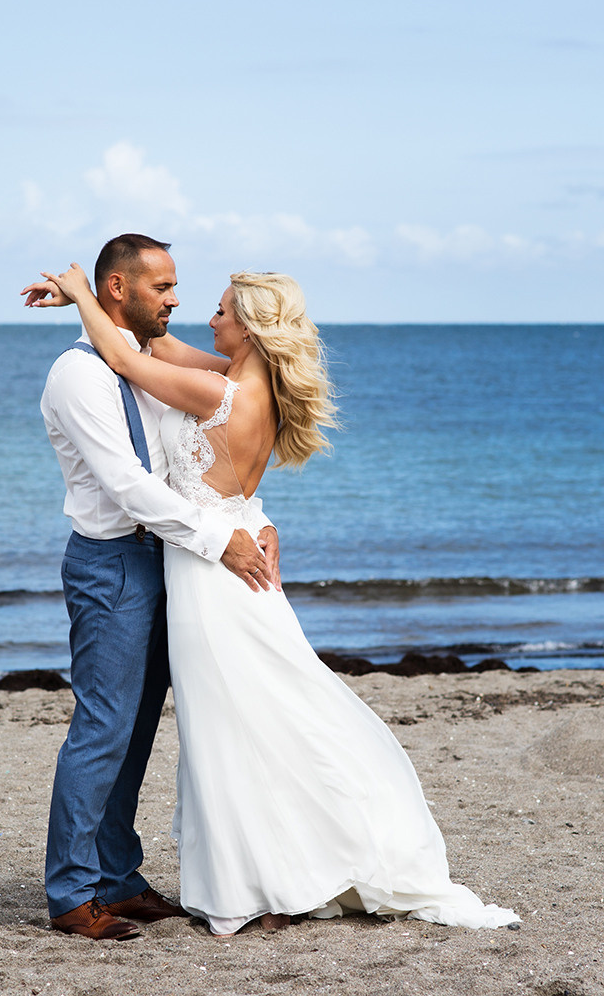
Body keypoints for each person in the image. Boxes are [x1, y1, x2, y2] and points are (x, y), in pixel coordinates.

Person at [35, 257, 520, 937]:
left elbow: (130, 356)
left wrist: (80, 290)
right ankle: (154, 881)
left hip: (210, 574)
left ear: (253, 329)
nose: (203, 312)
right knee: (232, 720)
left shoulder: (222, 391)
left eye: (223, 310)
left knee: (229, 728)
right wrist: (252, 519)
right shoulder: (227, 377)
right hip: (200, 560)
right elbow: (143, 353)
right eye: (173, 290)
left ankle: (246, 879)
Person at [21, 234, 280, 942]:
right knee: (102, 726)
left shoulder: (138, 361)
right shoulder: (79, 377)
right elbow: (130, 486)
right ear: (117, 289)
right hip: (112, 566)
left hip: (167, 565)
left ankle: (117, 878)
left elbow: (200, 460)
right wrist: (215, 538)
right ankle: (73, 896)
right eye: (161, 288)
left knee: (135, 732)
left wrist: (250, 522)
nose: (175, 300)